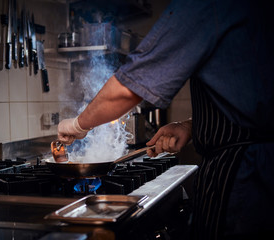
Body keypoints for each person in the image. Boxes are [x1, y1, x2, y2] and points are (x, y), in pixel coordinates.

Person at [57, 0, 274, 239]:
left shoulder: (204, 6)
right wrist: (191, 126)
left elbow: (127, 89)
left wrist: (78, 124)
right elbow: (252, 94)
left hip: (244, 178)